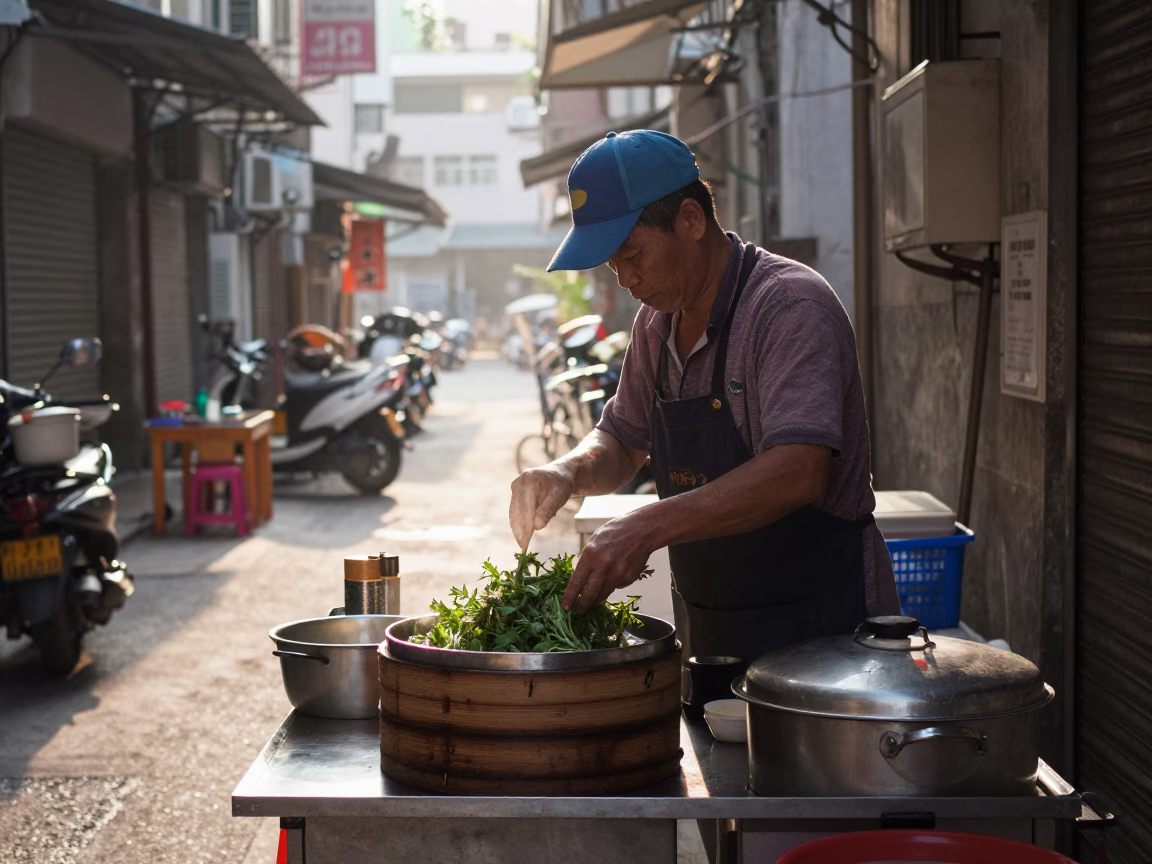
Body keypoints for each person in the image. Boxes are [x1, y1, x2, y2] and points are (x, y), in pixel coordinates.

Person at [509, 129, 899, 666]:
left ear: (691, 221)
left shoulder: (788, 307)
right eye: (612, 264)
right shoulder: (656, 323)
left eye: (632, 253)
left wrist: (646, 525)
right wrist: (567, 470)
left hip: (828, 634)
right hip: (717, 632)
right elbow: (622, 439)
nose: (624, 278)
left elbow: (799, 471)